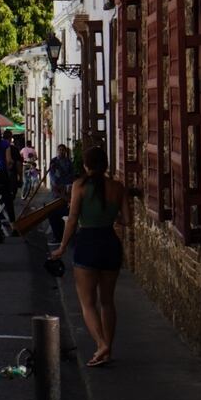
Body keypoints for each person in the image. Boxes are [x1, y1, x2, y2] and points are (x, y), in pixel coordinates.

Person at [57, 147, 126, 365]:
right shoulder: (117, 187)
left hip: (87, 243)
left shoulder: (80, 186)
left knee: (88, 303)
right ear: (105, 164)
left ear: (86, 165)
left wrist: (61, 247)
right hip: (110, 243)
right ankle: (108, 349)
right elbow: (127, 220)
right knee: (107, 301)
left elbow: (73, 218)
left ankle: (100, 344)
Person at [45, 143, 76, 242]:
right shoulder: (54, 161)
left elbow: (72, 175)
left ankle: (64, 233)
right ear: (57, 151)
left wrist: (65, 182)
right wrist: (58, 183)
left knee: (63, 209)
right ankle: (58, 234)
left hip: (66, 189)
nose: (61, 152)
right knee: (56, 208)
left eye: (63, 150)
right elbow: (52, 176)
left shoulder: (69, 162)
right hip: (57, 190)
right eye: (60, 150)